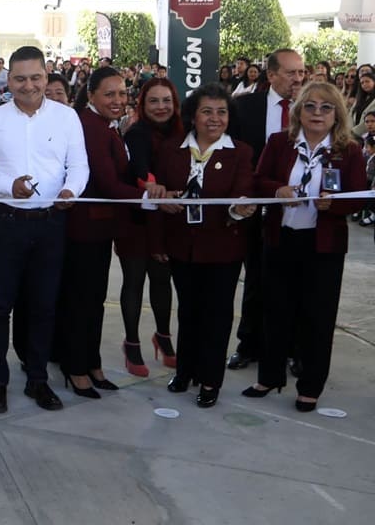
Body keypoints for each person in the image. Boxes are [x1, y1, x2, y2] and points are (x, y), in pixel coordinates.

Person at [0, 46, 89, 414]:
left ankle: (38, 379)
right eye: (20, 78)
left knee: (43, 305)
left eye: (36, 77)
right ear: (9, 81)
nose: (29, 85)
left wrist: (71, 191)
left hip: (51, 222)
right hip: (6, 223)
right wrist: (7, 186)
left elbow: (79, 166)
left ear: (47, 77)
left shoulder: (67, 118)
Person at [245, 82, 365, 412]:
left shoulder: (349, 150)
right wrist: (278, 189)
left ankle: (310, 386)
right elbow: (258, 181)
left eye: (325, 108)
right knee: (275, 311)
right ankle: (269, 377)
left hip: (323, 245)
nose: (317, 113)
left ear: (337, 114)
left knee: (318, 316)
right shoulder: (279, 143)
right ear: (298, 111)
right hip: (281, 239)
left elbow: (357, 196)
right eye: (309, 106)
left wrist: (336, 204)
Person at [150, 84, 256, 408]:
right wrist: (158, 236)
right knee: (189, 311)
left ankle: (210, 380)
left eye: (221, 112)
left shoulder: (240, 152)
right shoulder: (170, 149)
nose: (214, 118)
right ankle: (186, 371)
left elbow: (241, 193)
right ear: (193, 116)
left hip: (223, 248)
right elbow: (158, 197)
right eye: (207, 111)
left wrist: (240, 211)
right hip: (182, 247)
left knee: (218, 315)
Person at [59, 67, 155, 399]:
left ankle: (92, 363)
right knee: (81, 302)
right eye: (109, 94)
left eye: (122, 93)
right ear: (91, 95)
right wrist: (150, 199)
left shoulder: (107, 126)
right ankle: (75, 368)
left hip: (101, 229)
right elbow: (107, 182)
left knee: (94, 301)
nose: (118, 100)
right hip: (84, 228)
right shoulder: (89, 127)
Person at [229, 49, 305, 370]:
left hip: (301, 211)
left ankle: (293, 349)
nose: (298, 79)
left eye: (301, 73)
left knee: (296, 281)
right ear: (271, 75)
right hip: (255, 209)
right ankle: (249, 343)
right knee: (256, 278)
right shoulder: (245, 108)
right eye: (291, 73)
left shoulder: (315, 107)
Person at [115, 78, 182, 377]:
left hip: (167, 220)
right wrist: (152, 185)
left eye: (166, 100)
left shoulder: (183, 132)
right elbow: (141, 168)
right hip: (137, 218)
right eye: (153, 101)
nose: (161, 107)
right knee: (134, 280)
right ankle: (131, 343)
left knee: (162, 280)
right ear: (143, 104)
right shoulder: (136, 132)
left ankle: (164, 338)